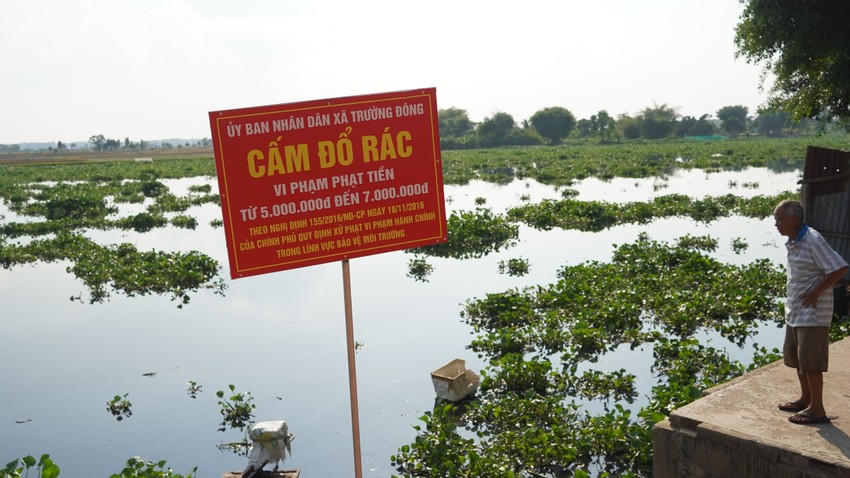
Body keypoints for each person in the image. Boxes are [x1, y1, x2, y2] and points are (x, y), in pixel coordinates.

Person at [774, 199, 848, 424]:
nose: (776, 224)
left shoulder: (812, 240)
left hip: (813, 314)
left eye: (780, 219)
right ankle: (805, 399)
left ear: (794, 220)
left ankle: (817, 409)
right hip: (797, 311)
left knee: (811, 362)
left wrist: (816, 292)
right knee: (799, 360)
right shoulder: (795, 240)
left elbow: (840, 268)